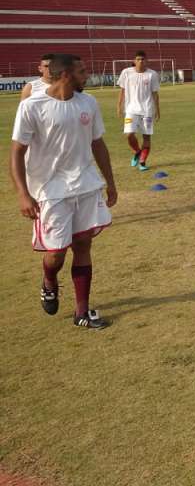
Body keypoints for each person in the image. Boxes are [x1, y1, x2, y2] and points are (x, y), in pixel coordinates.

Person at [10, 53, 118, 329]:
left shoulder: (88, 102)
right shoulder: (32, 106)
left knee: (83, 245)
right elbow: (16, 153)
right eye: (82, 71)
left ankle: (81, 311)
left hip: (85, 184)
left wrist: (110, 181)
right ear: (66, 75)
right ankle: (49, 280)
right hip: (49, 190)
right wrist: (23, 193)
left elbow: (98, 144)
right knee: (56, 253)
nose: (87, 76)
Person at [116, 50, 161, 171]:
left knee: (146, 137)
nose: (141, 61)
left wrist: (157, 110)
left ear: (147, 61)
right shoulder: (126, 73)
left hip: (147, 110)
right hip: (131, 109)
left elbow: (155, 94)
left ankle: (142, 162)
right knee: (129, 135)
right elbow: (122, 90)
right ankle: (137, 151)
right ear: (134, 61)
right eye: (138, 59)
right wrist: (119, 106)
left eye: (143, 59)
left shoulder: (152, 74)